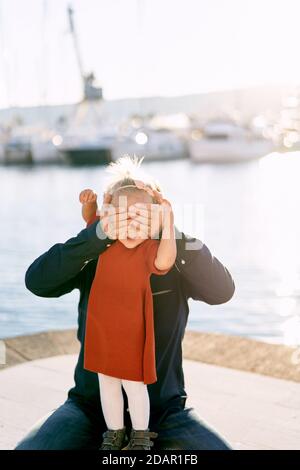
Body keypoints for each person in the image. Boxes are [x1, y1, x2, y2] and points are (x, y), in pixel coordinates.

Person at [15, 155, 235, 450]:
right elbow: (37, 282)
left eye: (142, 213)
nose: (131, 221)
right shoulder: (94, 257)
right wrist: (94, 236)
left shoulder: (173, 260)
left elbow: (223, 291)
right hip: (89, 407)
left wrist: (172, 231)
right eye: (122, 213)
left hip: (165, 412)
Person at [79, 156, 177, 450]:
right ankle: (114, 432)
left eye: (141, 220)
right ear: (111, 217)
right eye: (125, 218)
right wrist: (90, 203)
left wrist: (169, 222)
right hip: (102, 325)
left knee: (134, 385)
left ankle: (140, 435)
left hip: (132, 328)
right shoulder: (104, 241)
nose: (132, 227)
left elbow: (166, 260)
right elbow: (90, 218)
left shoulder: (150, 249)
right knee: (106, 381)